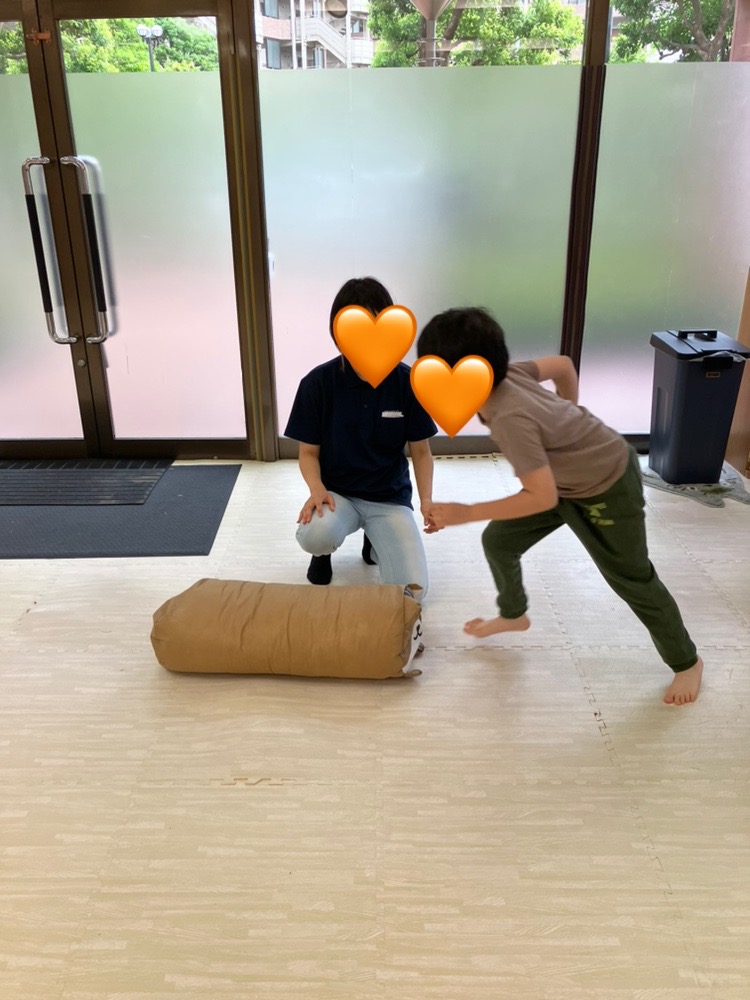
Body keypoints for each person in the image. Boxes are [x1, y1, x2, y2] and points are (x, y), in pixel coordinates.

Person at [417, 306, 703, 706]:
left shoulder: (509, 417)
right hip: (559, 482)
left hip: (606, 484)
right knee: (500, 541)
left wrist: (465, 512)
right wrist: (568, 419)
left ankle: (687, 661)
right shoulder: (511, 373)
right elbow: (565, 366)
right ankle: (514, 614)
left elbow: (541, 497)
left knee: (632, 578)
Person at [284, 277, 438, 598]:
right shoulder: (317, 384)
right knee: (316, 535)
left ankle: (373, 541)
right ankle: (322, 553)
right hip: (337, 494)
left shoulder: (409, 382)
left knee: (412, 593)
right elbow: (308, 453)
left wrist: (426, 501)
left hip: (388, 497)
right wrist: (316, 490)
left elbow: (421, 452)